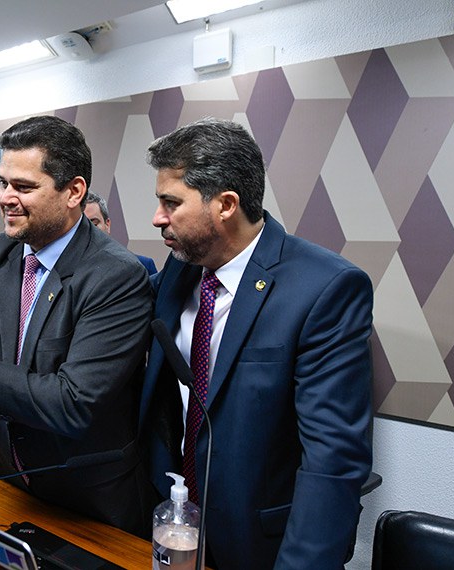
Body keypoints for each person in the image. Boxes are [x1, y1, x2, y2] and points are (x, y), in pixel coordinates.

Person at [139, 118, 373, 569]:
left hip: (261, 543)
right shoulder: (177, 272)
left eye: (171, 202)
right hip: (174, 529)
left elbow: (333, 459)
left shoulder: (325, 288)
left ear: (225, 204)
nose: (158, 218)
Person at [0, 115, 156, 536]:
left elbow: (73, 403)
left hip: (83, 497)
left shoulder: (116, 275)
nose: (6, 198)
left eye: (24, 187)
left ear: (73, 192)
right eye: (2, 182)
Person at [84, 191, 158, 275]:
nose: (88, 231)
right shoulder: (66, 270)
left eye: (94, 224)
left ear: (107, 224)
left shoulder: (142, 265)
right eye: (81, 227)